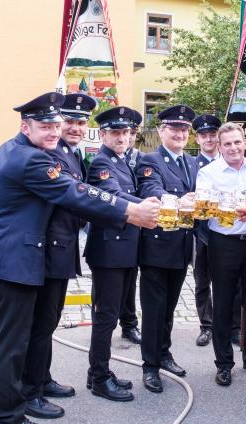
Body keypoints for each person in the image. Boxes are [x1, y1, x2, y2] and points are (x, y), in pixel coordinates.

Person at [0, 92, 159, 424]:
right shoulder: (34, 161)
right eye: (45, 125)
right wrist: (131, 211)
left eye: (56, 124)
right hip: (11, 263)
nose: (54, 131)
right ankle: (8, 420)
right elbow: (76, 192)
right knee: (10, 342)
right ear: (26, 126)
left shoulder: (11, 148)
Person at [19, 94, 97, 417]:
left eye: (81, 122)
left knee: (49, 321)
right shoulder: (54, 155)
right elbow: (71, 198)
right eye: (70, 122)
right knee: (41, 323)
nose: (76, 128)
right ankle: (31, 391)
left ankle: (43, 378)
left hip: (62, 249)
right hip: (50, 251)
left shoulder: (71, 154)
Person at [195, 122, 246, 386]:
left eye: (237, 142)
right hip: (224, 244)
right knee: (224, 304)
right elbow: (203, 209)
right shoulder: (209, 172)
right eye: (227, 143)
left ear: (245, 143)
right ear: (219, 146)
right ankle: (224, 363)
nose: (233, 148)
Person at [84, 106, 147, 402]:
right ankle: (99, 378)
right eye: (116, 132)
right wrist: (153, 205)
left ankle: (98, 372)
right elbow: (115, 196)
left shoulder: (121, 160)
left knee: (112, 313)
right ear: (104, 134)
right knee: (106, 317)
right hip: (109, 252)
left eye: (126, 132)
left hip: (123, 251)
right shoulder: (101, 163)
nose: (122, 137)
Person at [135, 105, 198, 393]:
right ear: (161, 131)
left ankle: (164, 353)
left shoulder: (193, 163)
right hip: (157, 249)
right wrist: (182, 199)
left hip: (182, 247)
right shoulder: (150, 160)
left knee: (170, 308)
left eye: (184, 129)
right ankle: (150, 366)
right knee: (153, 310)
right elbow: (152, 192)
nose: (180, 133)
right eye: (174, 128)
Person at [190, 113, 242, 348]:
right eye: (204, 135)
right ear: (197, 139)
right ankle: (206, 325)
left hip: (229, 232)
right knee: (202, 280)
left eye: (212, 134)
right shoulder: (191, 165)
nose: (208, 139)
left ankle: (234, 326)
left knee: (234, 281)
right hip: (201, 232)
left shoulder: (233, 162)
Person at [120, 107, 145, 345]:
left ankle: (129, 324)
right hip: (112, 225)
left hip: (133, 227)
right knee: (106, 286)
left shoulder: (139, 158)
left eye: (130, 132)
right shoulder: (103, 157)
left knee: (130, 280)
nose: (126, 137)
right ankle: (102, 321)